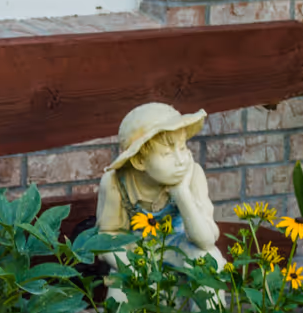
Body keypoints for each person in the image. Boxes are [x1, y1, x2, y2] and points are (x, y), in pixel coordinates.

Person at [96, 102, 225, 270]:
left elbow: (206, 240)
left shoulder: (192, 175)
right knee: (121, 290)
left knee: (208, 261)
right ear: (139, 160)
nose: (180, 160)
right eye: (167, 153)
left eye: (183, 147)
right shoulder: (116, 183)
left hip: (179, 247)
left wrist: (181, 193)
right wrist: (131, 269)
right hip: (137, 252)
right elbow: (108, 235)